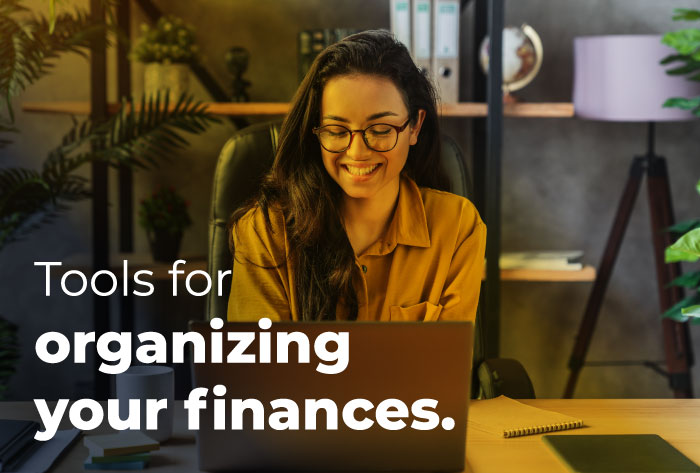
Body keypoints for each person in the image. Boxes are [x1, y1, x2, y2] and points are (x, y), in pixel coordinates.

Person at [227, 30, 485, 323]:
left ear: (414, 126)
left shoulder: (457, 226)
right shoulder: (266, 231)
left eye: (380, 130)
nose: (358, 152)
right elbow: (261, 366)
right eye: (337, 132)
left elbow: (447, 363)